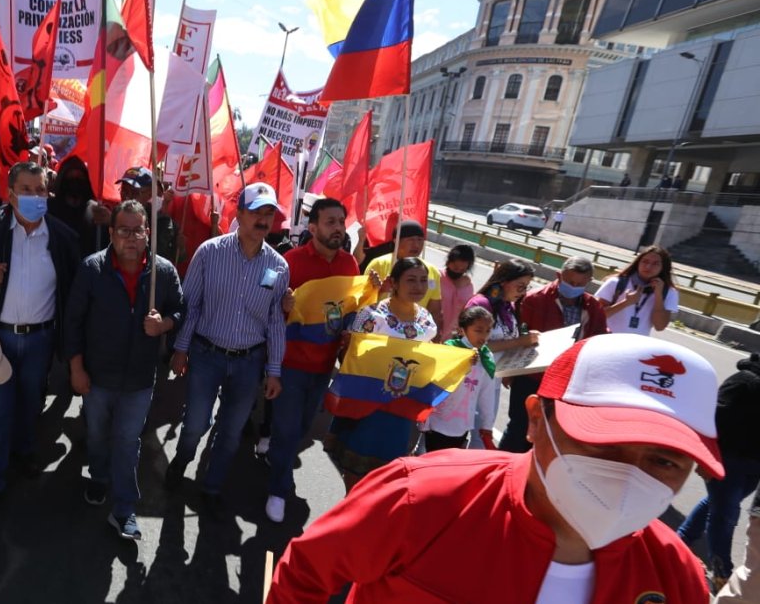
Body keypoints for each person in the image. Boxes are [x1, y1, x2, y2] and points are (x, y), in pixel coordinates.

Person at [267, 334, 724, 603]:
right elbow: (306, 573)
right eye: (602, 442)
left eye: (663, 461)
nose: (628, 477)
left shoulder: (676, 578)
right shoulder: (421, 499)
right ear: (534, 421)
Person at [0, 161, 80, 522]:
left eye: (41, 190)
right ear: (9, 194)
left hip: (40, 340)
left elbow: (74, 292)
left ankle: (23, 452)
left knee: (28, 404)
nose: (35, 197)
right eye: (26, 189)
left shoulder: (62, 237)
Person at [166, 182, 288, 520]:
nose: (263, 220)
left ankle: (211, 486)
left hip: (250, 362)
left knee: (232, 432)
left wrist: (274, 370)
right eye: (256, 212)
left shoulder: (278, 267)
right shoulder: (209, 252)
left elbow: (276, 321)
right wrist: (181, 349)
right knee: (195, 423)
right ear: (240, 213)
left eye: (269, 214)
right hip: (207, 354)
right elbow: (191, 305)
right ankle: (182, 459)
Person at [65, 200, 183, 540]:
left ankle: (124, 510)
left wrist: (165, 326)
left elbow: (182, 311)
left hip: (140, 380)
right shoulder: (92, 268)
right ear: (112, 233)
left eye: (138, 231)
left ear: (148, 233)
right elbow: (72, 323)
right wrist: (76, 368)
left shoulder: (163, 272)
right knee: (99, 436)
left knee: (128, 442)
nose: (131, 238)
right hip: (97, 376)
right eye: (124, 231)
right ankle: (99, 476)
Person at [265, 197, 358, 524]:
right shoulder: (288, 261)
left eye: (341, 222)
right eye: (330, 222)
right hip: (290, 364)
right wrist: (285, 305)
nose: (338, 229)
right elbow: (265, 306)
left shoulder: (350, 266)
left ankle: (277, 454)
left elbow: (351, 310)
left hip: (323, 367)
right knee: (288, 429)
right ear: (313, 227)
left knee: (302, 428)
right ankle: (277, 487)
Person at [326, 257, 438, 486]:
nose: (418, 287)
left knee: (387, 475)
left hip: (401, 407)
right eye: (411, 280)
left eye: (423, 281)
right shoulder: (372, 316)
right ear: (394, 283)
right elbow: (350, 359)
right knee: (356, 471)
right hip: (368, 403)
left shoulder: (426, 321)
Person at [500, 256, 610, 452]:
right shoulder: (535, 299)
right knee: (519, 427)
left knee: (550, 433)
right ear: (559, 276)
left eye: (579, 284)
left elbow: (600, 338)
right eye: (569, 282)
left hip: (568, 380)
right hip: (531, 375)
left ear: (589, 282)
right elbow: (518, 334)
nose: (574, 287)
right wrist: (510, 371)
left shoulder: (593, 307)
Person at [678, 353, 760, 591]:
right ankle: (722, 571)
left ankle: (680, 540)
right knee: (725, 515)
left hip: (753, 465)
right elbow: (714, 417)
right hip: (727, 460)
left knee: (716, 504)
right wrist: (704, 457)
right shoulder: (744, 380)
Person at [423, 305, 497, 451]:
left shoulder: (486, 357)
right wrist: (462, 362)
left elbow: (487, 395)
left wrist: (487, 426)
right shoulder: (449, 350)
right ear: (462, 330)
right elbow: (435, 383)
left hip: (462, 426)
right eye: (478, 330)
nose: (483, 336)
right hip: (439, 422)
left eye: (488, 331)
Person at [365, 220, 443, 339]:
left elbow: (435, 310)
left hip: (416, 337)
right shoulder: (378, 265)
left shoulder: (432, 271)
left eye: (420, 240)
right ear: (396, 240)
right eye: (411, 240)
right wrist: (380, 291)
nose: (416, 245)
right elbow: (363, 300)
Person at [595, 245, 679, 336]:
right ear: (638, 263)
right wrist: (626, 303)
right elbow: (597, 316)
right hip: (606, 340)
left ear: (663, 267)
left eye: (655, 264)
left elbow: (659, 326)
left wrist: (658, 295)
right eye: (645, 261)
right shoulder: (616, 282)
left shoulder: (669, 292)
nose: (648, 266)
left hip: (636, 346)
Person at [48, 156, 109, 256]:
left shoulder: (96, 212)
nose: (75, 182)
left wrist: (111, 221)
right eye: (70, 177)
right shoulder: (49, 208)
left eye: (80, 177)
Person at [438, 243, 475, 339]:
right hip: (434, 329)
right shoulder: (438, 276)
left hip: (453, 335)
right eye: (455, 267)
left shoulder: (468, 285)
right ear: (448, 262)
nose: (457, 271)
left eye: (462, 269)